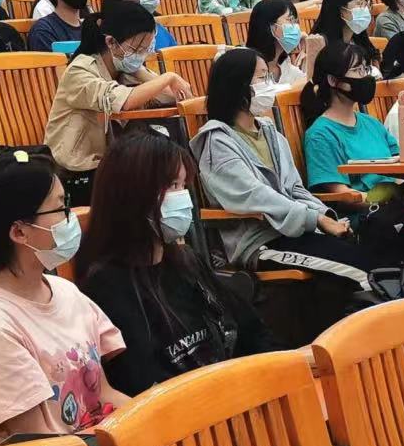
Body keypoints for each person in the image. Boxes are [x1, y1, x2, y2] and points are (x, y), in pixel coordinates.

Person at [76, 132, 276, 396]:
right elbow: (142, 383)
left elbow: (252, 330)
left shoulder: (186, 261)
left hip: (240, 394)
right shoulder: (108, 286)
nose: (183, 198)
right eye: (172, 185)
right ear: (132, 195)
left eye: (183, 186)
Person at [0, 152, 125, 446]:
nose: (71, 218)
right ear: (19, 231)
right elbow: (40, 445)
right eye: (61, 208)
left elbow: (104, 395)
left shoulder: (65, 291)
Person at [190, 47, 390, 290]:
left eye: (269, 76)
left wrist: (325, 215)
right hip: (261, 242)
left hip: (297, 231)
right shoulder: (217, 143)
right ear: (238, 86)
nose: (269, 84)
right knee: (364, 276)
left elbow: (295, 188)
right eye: (261, 77)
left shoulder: (270, 133)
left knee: (375, 260)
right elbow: (255, 196)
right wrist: (314, 219)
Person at [44, 2, 190, 203]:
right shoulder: (79, 71)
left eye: (146, 49)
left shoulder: (124, 69)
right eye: (137, 49)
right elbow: (123, 101)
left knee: (170, 169)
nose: (141, 55)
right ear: (111, 42)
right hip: (75, 171)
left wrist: (139, 70)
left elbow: (172, 96)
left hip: (113, 164)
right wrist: (169, 77)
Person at [301, 40, 401, 205]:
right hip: (370, 211)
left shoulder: (372, 123)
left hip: (398, 203)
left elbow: (401, 168)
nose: (365, 76)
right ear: (333, 80)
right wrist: (385, 200)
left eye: (365, 69)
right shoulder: (320, 135)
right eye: (357, 70)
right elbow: (340, 193)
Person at [246, 0, 324, 85]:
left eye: (295, 21)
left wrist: (310, 52)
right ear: (271, 27)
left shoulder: (284, 65)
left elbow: (309, 84)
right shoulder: (249, 66)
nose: (296, 27)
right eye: (290, 20)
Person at [311, 0, 381, 72]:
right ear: (340, 8)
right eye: (359, 3)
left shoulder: (360, 42)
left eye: (366, 4)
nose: (365, 10)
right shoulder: (320, 43)